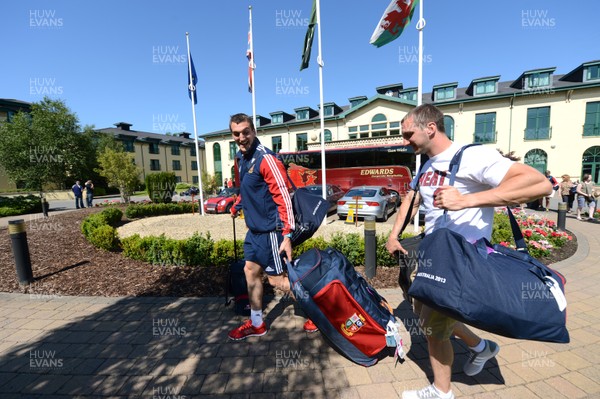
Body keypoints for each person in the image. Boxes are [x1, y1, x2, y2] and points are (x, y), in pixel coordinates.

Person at [385, 104, 552, 399]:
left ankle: (441, 391)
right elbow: (411, 199)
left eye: (408, 133)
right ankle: (481, 347)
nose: (405, 139)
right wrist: (394, 234)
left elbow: (539, 184)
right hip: (436, 253)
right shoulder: (425, 163)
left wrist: (467, 200)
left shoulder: (473, 155)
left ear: (430, 128)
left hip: (463, 257)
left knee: (434, 328)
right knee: (425, 314)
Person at [227, 113, 317, 341]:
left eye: (246, 132)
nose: (241, 137)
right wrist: (238, 204)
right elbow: (250, 190)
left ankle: (319, 311)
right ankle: (257, 324)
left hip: (271, 233)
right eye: (236, 133)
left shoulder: (266, 159)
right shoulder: (242, 158)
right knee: (250, 271)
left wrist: (286, 234)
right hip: (255, 232)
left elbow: (284, 196)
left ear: (254, 131)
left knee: (277, 281)